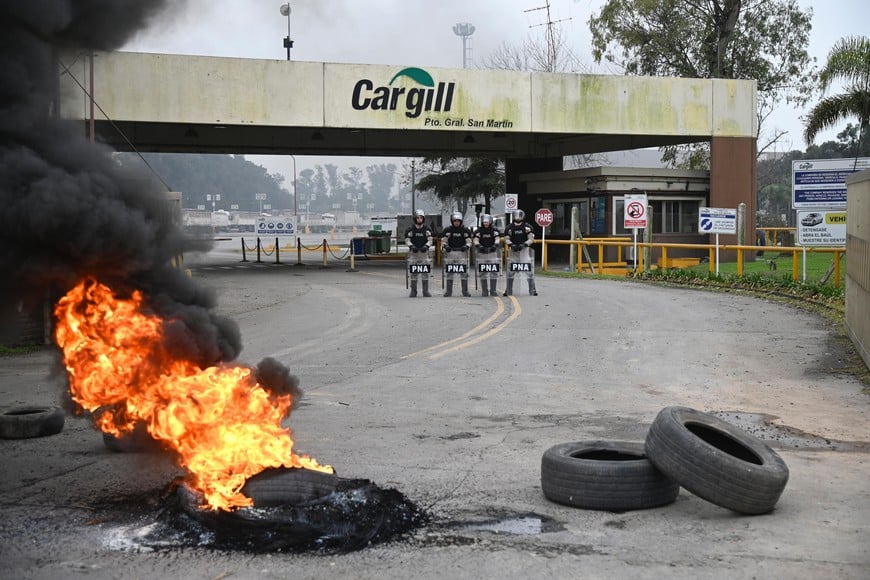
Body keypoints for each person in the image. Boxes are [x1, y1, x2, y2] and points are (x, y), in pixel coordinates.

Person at [503, 209, 538, 296]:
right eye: (516, 216)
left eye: (520, 216)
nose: (518, 218)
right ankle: (508, 290)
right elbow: (506, 239)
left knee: (528, 270)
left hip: (524, 251)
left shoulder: (527, 227)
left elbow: (531, 238)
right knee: (510, 271)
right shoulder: (509, 228)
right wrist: (511, 244)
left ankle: (532, 289)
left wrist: (525, 244)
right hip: (513, 251)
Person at [441, 211, 472, 297]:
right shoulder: (447, 230)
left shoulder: (465, 230)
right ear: (452, 221)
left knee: (464, 272)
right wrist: (445, 246)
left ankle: (465, 291)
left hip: (462, 253)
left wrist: (466, 246)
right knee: (450, 272)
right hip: (451, 253)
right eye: (455, 221)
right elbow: (443, 241)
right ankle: (448, 291)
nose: (456, 222)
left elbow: (469, 241)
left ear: (461, 221)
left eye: (458, 221)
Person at [404, 209, 433, 297]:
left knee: (425, 272)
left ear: (423, 219)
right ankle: (413, 291)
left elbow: (430, 240)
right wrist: (411, 246)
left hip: (424, 254)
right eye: (418, 218)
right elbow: (407, 240)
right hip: (414, 254)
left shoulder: (427, 229)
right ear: (415, 219)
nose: (419, 220)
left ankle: (425, 291)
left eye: (421, 218)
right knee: (413, 273)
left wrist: (426, 246)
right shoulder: (410, 229)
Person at [473, 213, 500, 297]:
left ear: (490, 222)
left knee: (494, 272)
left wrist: (495, 245)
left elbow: (497, 239)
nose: (485, 223)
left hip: (492, 253)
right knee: (482, 272)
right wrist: (479, 246)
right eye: (484, 222)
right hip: (482, 253)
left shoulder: (494, 230)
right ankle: (484, 291)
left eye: (487, 222)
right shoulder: (478, 231)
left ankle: (493, 290)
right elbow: (476, 240)